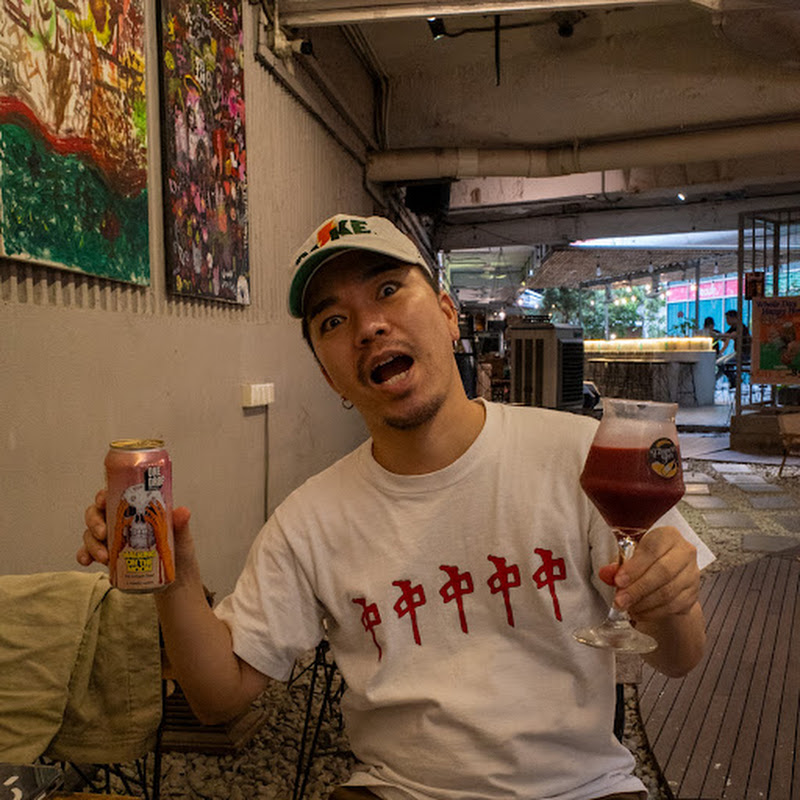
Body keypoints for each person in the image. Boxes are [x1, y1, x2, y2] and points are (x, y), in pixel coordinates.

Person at [79, 213, 711, 800]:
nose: (368, 327)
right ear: (330, 378)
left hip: (583, 789)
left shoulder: (581, 454)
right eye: (332, 322)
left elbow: (680, 658)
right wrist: (174, 574)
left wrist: (669, 597)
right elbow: (219, 697)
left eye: (388, 290)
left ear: (447, 313)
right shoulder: (308, 521)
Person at [716, 309, 751, 388]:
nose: (727, 321)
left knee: (726, 363)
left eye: (728, 318)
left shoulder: (741, 327)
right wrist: (719, 336)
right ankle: (731, 379)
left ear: (734, 318)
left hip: (745, 353)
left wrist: (719, 335)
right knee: (718, 362)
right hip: (738, 352)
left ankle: (734, 380)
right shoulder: (733, 327)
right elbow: (725, 336)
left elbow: (732, 335)